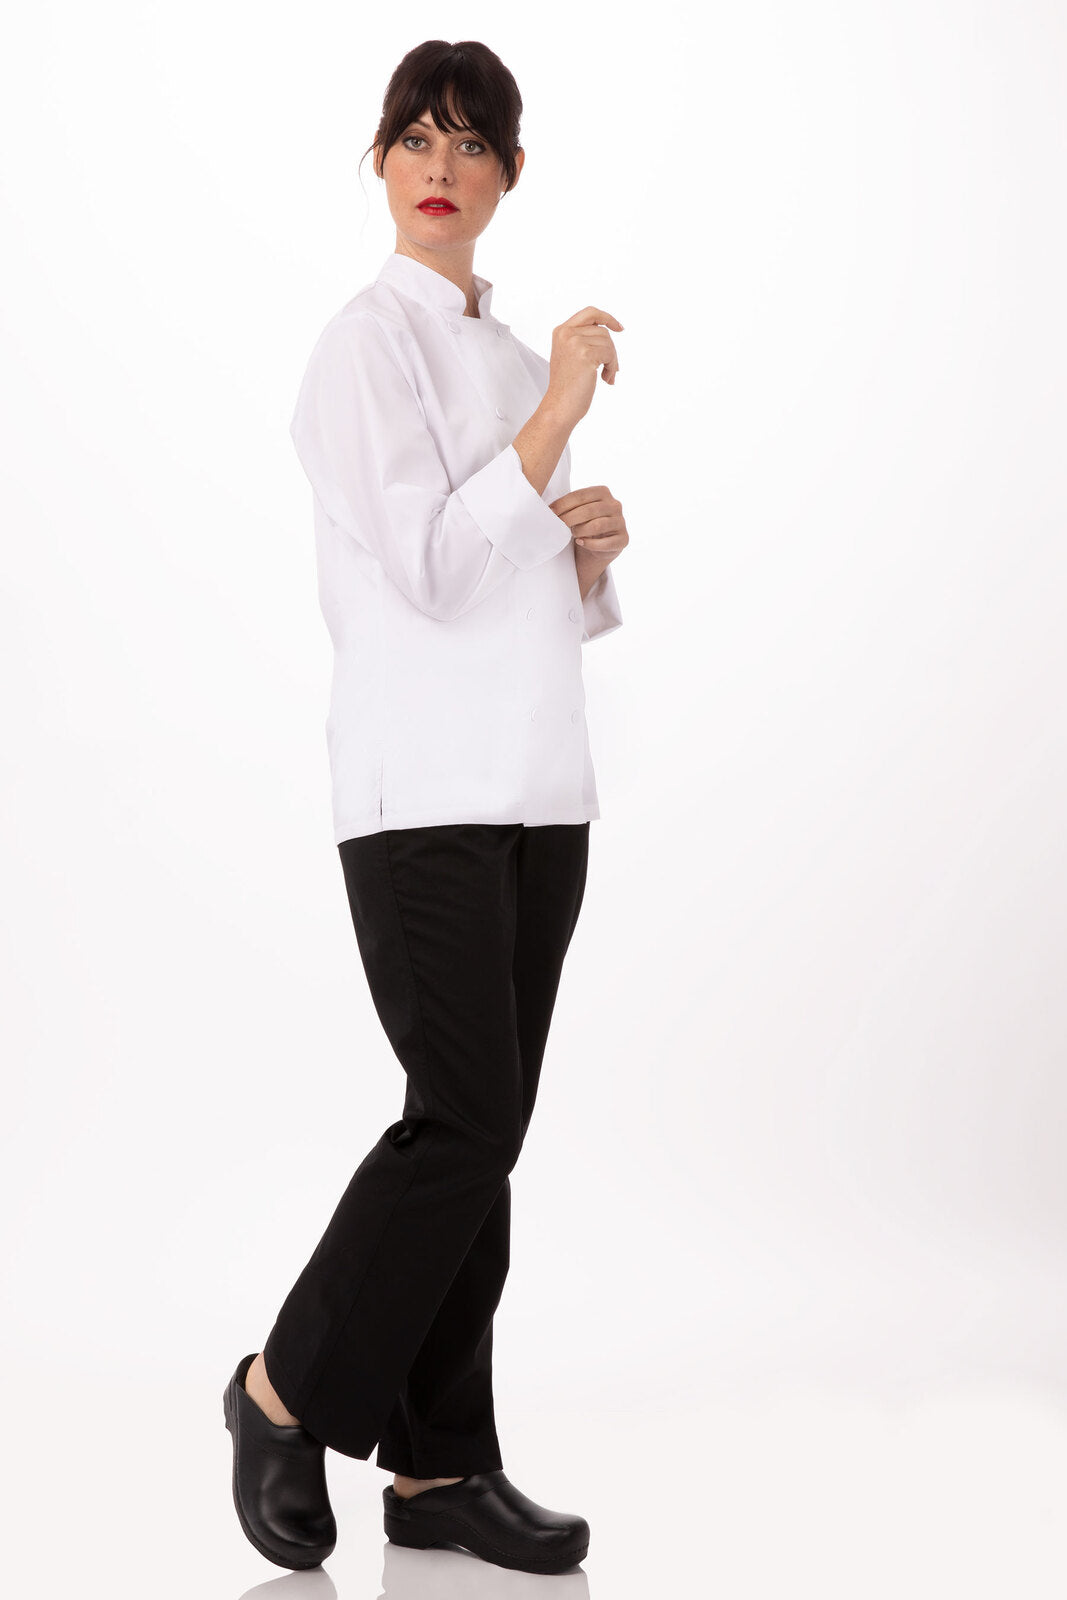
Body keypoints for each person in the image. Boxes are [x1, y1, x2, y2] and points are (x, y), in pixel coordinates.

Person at [222, 37, 627, 1577]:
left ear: (511, 174)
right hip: (419, 790)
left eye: (471, 142)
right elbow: (436, 572)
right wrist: (557, 422)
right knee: (459, 1119)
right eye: (415, 137)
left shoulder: (520, 362)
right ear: (382, 164)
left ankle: (443, 1466)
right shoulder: (359, 350)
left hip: (539, 787)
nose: (440, 165)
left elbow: (525, 593)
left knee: (486, 1133)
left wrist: (587, 551)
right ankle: (283, 1389)